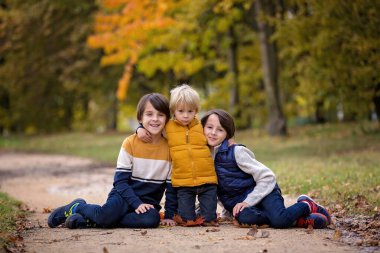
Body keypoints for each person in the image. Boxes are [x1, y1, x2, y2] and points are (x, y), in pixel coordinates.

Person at [48, 93, 177, 229]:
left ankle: (89, 221)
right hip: (123, 196)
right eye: (149, 114)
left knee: (152, 219)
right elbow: (120, 182)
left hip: (148, 203)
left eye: (160, 115)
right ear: (140, 118)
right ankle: (77, 207)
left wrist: (169, 215)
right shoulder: (130, 144)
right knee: (106, 216)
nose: (155, 119)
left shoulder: (170, 150)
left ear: (167, 119)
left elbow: (170, 188)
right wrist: (136, 203)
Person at [200, 109, 331, 229]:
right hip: (244, 204)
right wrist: (227, 211)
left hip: (264, 192)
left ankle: (306, 204)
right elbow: (216, 188)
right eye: (209, 127)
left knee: (279, 221)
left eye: (220, 130)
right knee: (245, 218)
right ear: (202, 128)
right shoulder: (202, 155)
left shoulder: (236, 152)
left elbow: (267, 177)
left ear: (228, 134)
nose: (213, 132)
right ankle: (297, 220)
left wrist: (247, 201)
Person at [137, 84, 218, 226]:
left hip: (207, 180)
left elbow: (219, 131)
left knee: (209, 219)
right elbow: (152, 125)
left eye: (190, 111)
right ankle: (192, 210)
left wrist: (229, 139)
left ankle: (203, 210)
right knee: (186, 220)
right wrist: (140, 129)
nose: (186, 115)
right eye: (181, 111)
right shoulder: (167, 127)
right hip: (183, 182)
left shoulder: (203, 126)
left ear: (196, 111)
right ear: (174, 110)